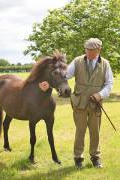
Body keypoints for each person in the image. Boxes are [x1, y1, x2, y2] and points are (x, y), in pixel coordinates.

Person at [39, 38, 113, 169]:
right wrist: (49, 83)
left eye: (91, 50)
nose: (88, 52)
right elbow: (65, 75)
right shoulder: (78, 61)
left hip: (96, 104)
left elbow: (109, 84)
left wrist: (100, 94)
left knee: (95, 132)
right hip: (79, 103)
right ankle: (78, 158)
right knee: (80, 131)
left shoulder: (105, 64)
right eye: (87, 49)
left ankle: (95, 157)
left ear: (98, 50)